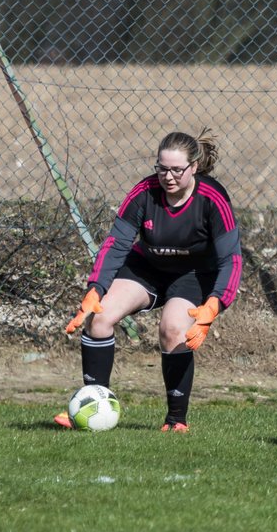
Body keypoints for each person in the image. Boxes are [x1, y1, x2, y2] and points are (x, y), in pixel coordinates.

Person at [58, 128, 242, 432]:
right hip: (148, 267)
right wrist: (95, 289)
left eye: (177, 170)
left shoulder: (212, 198)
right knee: (99, 318)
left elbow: (231, 259)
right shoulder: (144, 192)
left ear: (194, 167)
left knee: (171, 329)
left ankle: (176, 420)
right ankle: (92, 406)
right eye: (162, 168)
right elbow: (116, 244)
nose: (168, 177)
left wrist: (216, 303)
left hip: (194, 275)